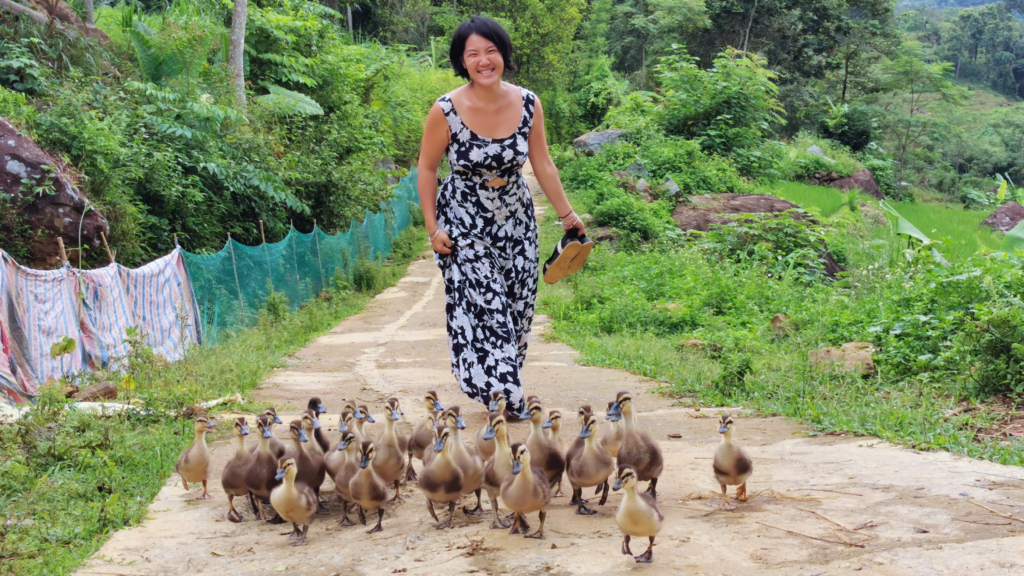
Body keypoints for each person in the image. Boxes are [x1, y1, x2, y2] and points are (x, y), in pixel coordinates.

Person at [417, 16, 585, 419]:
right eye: (473, 53)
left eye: (491, 51)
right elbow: (426, 168)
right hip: (464, 222)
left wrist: (567, 215)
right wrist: (432, 227)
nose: (483, 60)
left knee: (518, 309)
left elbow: (542, 162)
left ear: (504, 56)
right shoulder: (445, 109)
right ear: (462, 61)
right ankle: (510, 399)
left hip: (516, 220)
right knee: (488, 308)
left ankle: (496, 383)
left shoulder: (528, 103)